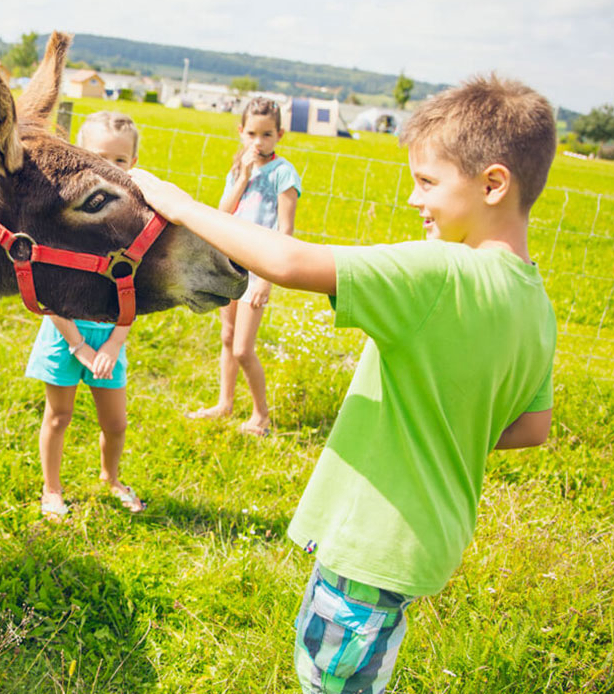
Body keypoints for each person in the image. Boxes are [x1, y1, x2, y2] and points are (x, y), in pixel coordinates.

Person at [131, 75, 556, 693]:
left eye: (427, 182)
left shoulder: (442, 271)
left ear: (493, 184)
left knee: (330, 680)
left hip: (372, 537)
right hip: (424, 540)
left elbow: (289, 261)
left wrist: (179, 206)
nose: (413, 198)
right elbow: (532, 427)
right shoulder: (536, 302)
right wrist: (442, 428)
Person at [25, 111, 147, 519]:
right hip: (65, 337)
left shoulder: (134, 226)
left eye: (120, 160)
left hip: (109, 340)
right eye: (99, 157)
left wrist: (113, 344)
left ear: (134, 163)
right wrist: (78, 345)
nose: (109, 169)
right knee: (58, 416)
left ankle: (111, 478)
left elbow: (133, 291)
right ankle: (52, 488)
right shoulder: (67, 224)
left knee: (116, 423)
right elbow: (49, 292)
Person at [186, 97, 301, 436]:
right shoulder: (239, 168)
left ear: (279, 135)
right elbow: (222, 213)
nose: (258, 142)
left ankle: (261, 415)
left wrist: (266, 279)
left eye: (267, 134)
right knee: (227, 336)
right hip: (232, 263)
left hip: (258, 267)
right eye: (251, 134)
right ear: (240, 131)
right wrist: (243, 177)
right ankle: (225, 403)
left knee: (243, 348)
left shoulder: (283, 173)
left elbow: (285, 230)